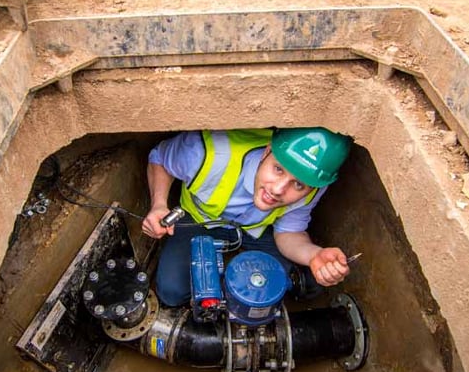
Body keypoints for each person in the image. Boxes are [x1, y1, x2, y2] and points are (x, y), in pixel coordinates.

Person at [141, 127, 354, 307]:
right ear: (267, 152)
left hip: (253, 231)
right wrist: (158, 205)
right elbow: (159, 159)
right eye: (278, 169)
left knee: (308, 282)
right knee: (171, 291)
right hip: (199, 220)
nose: (279, 190)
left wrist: (314, 256)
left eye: (298, 184)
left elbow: (289, 232)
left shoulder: (314, 184)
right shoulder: (207, 153)